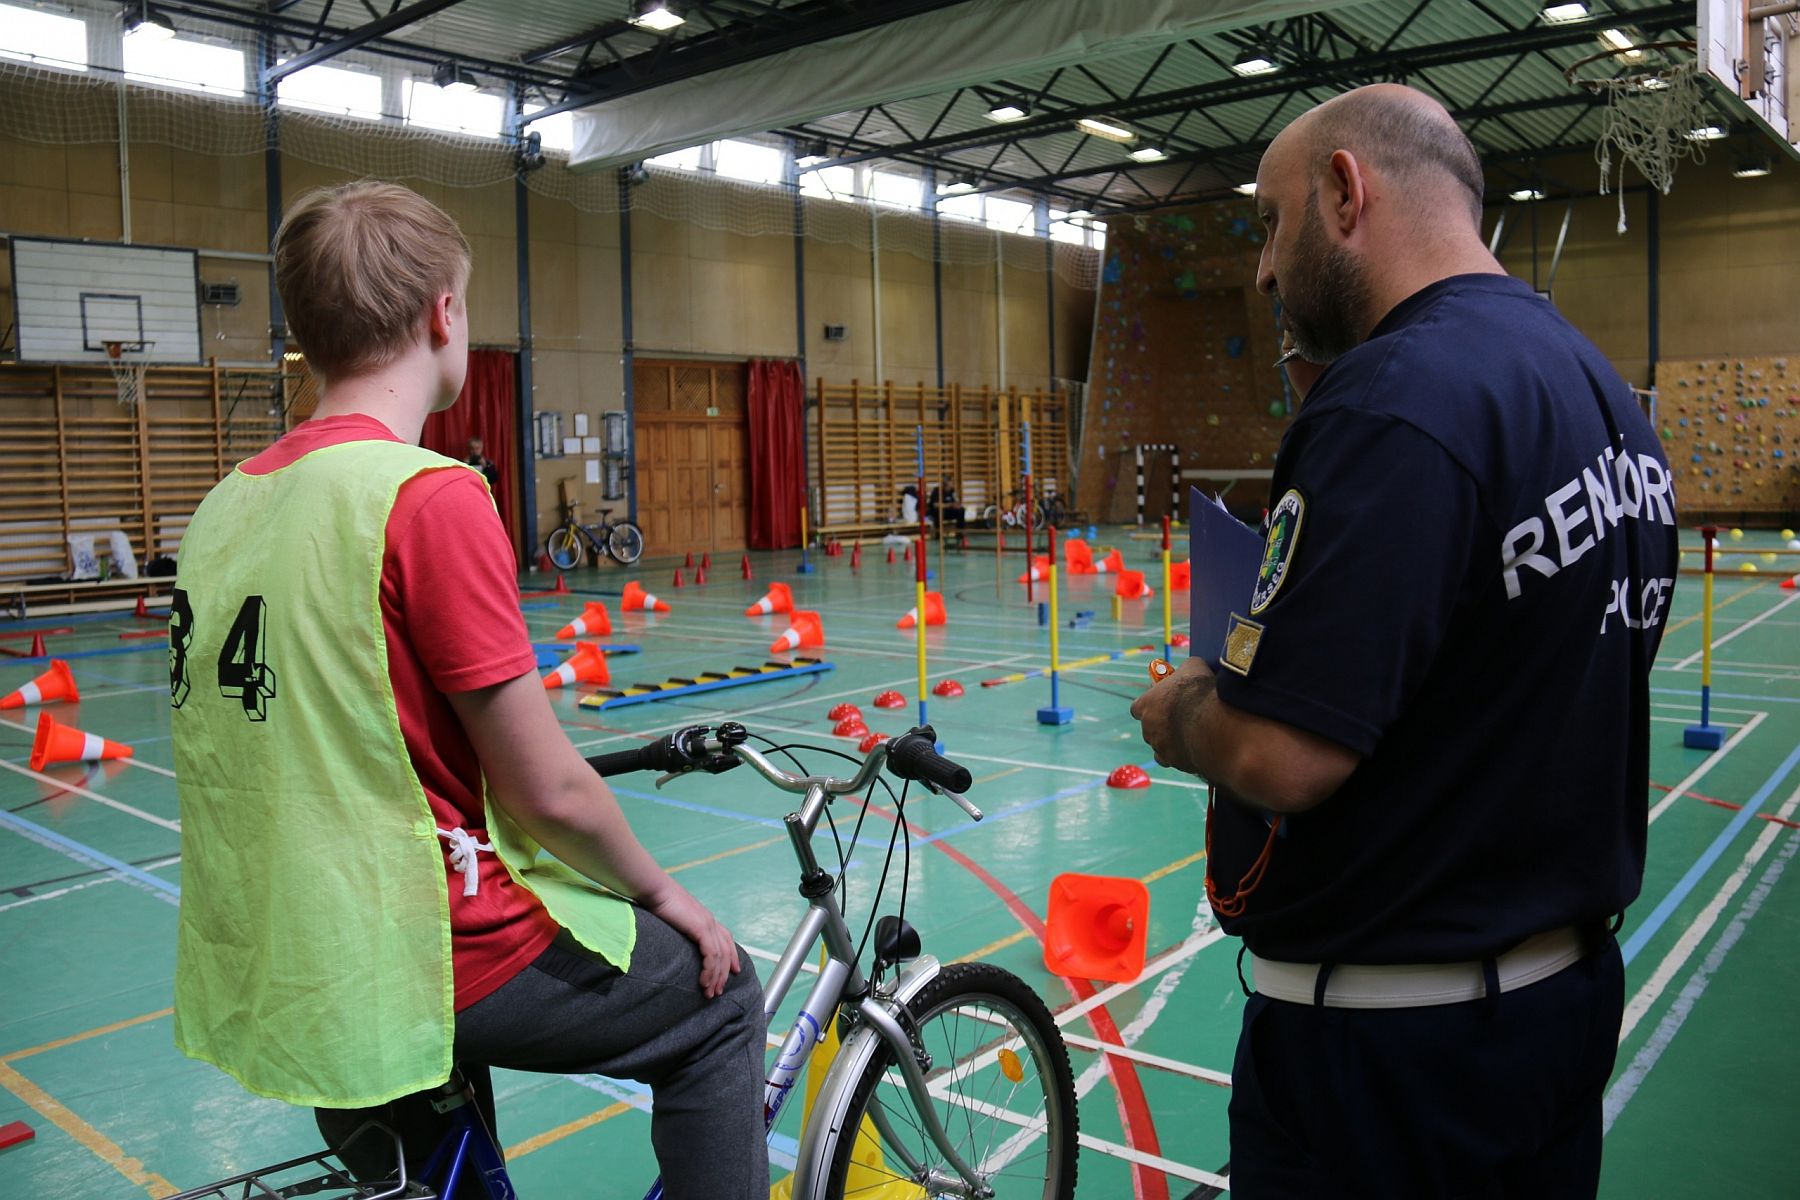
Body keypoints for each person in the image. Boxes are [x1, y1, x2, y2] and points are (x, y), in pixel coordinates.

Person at [1130, 84, 1678, 1198]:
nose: (1265, 272)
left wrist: (1184, 712)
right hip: (1553, 1019)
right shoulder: (1602, 393)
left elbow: (1286, 752)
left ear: (1345, 192)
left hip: (1391, 1071)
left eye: (1273, 224)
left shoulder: (1392, 398)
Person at [167, 181, 766, 1198]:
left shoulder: (228, 504)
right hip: (426, 947)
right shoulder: (426, 495)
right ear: (444, 313)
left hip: (288, 950)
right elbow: (549, 791)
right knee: (721, 1003)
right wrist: (664, 895)